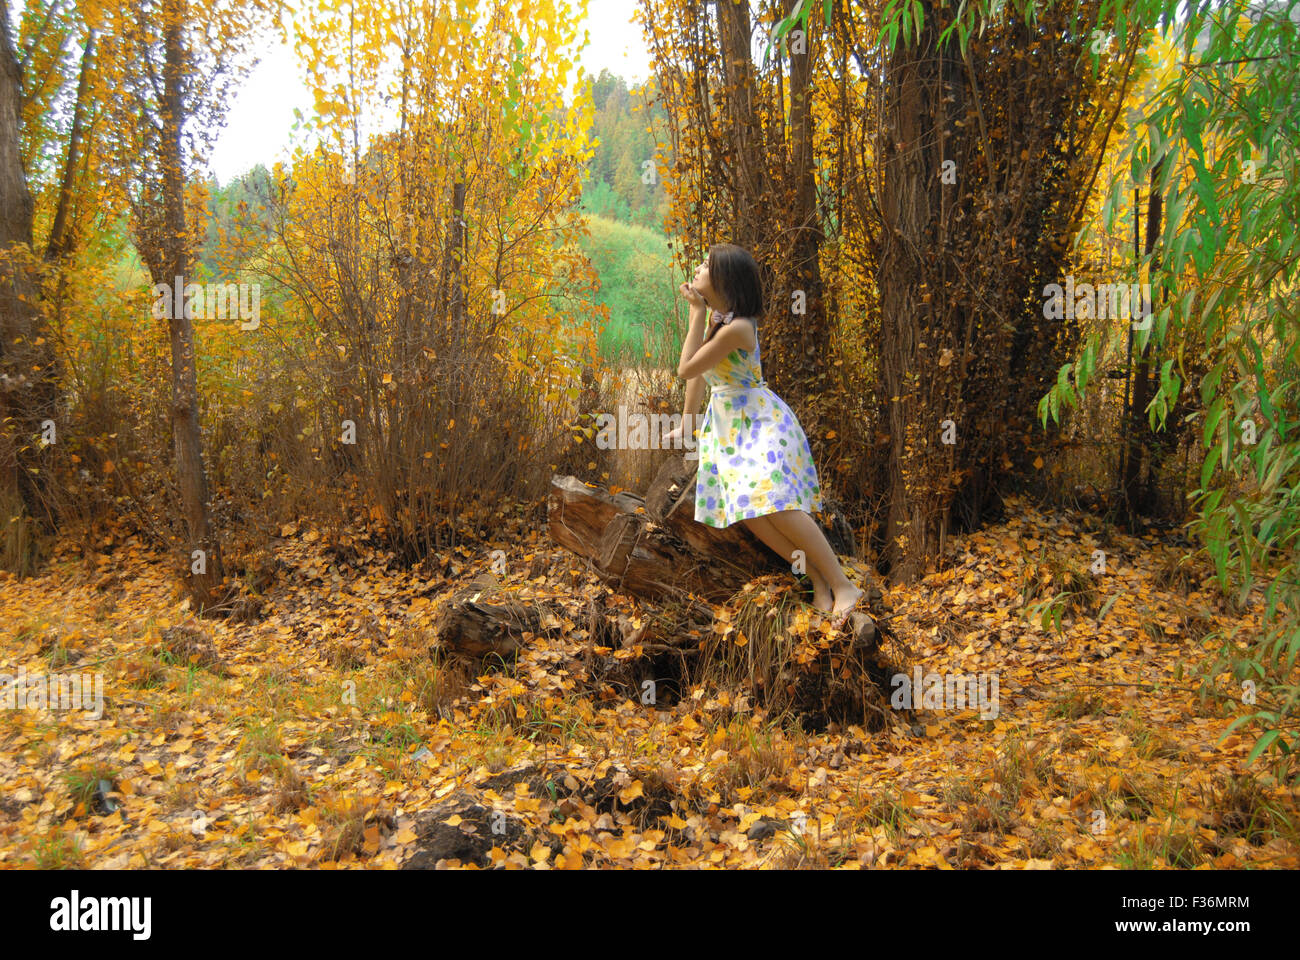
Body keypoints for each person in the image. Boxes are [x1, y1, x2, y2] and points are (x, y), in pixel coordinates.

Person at [663, 243, 865, 627]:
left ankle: (844, 584)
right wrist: (688, 422)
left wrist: (695, 313)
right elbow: (701, 379)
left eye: (706, 265)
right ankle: (817, 581)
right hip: (727, 428)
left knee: (779, 505)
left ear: (724, 280)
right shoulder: (719, 322)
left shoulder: (737, 327)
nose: (698, 267)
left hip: (757, 422)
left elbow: (687, 368)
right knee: (750, 512)